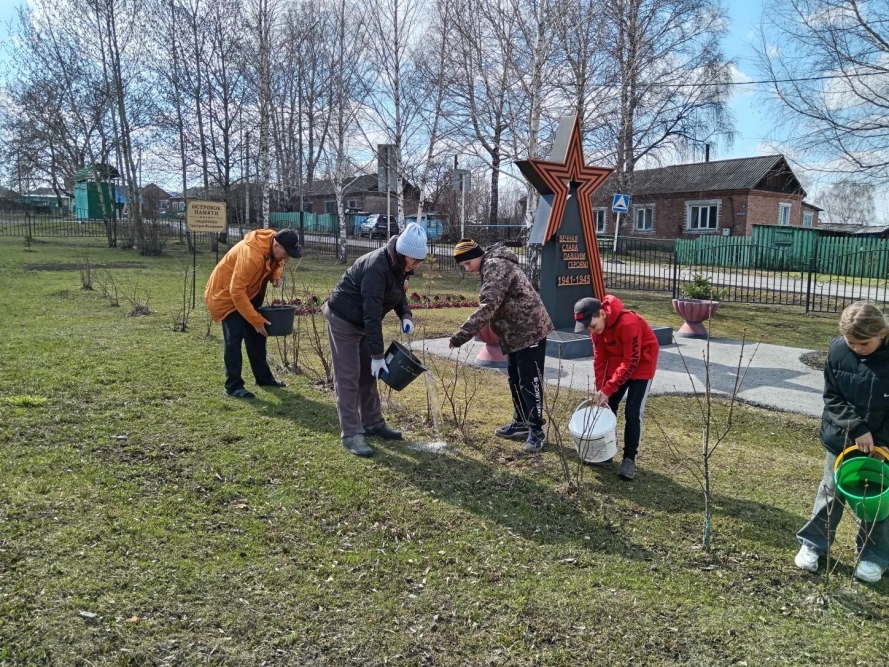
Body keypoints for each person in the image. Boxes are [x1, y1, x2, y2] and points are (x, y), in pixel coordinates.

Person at [795, 301, 889, 583]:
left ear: (882, 334)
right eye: (851, 343)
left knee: (877, 500)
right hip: (843, 439)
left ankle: (875, 556)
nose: (856, 349)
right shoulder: (838, 351)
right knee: (831, 493)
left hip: (884, 446)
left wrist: (883, 443)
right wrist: (856, 427)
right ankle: (813, 544)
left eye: (863, 343)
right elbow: (833, 397)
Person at [323, 222, 427, 457]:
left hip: (361, 321)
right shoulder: (376, 268)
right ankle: (351, 433)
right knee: (348, 376)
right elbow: (372, 316)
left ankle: (372, 423)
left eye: (419, 262)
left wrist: (405, 315)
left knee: (369, 374)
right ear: (403, 253)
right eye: (415, 261)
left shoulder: (400, 266)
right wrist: (377, 356)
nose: (417, 266)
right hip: (343, 320)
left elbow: (398, 292)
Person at [449, 239, 554, 452]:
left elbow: (488, 306)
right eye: (464, 266)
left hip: (530, 329)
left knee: (530, 380)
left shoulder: (495, 266)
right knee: (515, 378)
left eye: (468, 263)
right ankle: (521, 423)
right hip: (514, 332)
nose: (468, 269)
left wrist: (461, 336)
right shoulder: (492, 264)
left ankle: (536, 431)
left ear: (477, 256)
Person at [205, 228, 302, 399]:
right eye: (286, 253)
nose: (286, 258)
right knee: (234, 339)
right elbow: (236, 291)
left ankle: (263, 378)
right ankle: (233, 386)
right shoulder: (252, 255)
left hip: (250, 293)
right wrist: (255, 319)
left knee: (258, 335)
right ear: (277, 244)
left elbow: (276, 260)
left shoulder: (273, 242)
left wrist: (275, 273)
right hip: (226, 296)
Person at [574, 295, 659, 481]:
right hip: (617, 362)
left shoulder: (629, 324)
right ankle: (606, 452)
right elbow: (600, 360)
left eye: (592, 325)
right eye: (588, 328)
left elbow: (632, 361)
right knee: (607, 406)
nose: (591, 330)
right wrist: (601, 390)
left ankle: (629, 459)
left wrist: (609, 387)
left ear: (603, 314)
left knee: (633, 411)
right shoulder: (596, 330)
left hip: (642, 364)